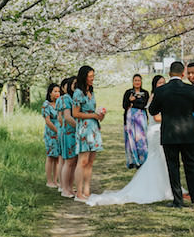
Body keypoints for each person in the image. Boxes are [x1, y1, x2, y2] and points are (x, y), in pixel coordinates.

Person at [86, 76, 172, 207]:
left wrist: (134, 103)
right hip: (155, 130)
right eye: (160, 83)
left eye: (163, 83)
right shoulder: (154, 96)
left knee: (161, 159)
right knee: (155, 157)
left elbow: (142, 106)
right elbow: (153, 114)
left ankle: (164, 185)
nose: (162, 85)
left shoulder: (153, 94)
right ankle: (151, 183)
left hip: (156, 129)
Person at [148, 61, 194, 209]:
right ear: (183, 74)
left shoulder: (161, 91)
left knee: (173, 167)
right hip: (188, 133)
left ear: (169, 74)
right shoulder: (191, 90)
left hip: (170, 134)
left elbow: (153, 111)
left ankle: (178, 200)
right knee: (192, 166)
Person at [73, 65, 105, 202]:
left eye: (93, 76)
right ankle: (78, 192)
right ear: (84, 77)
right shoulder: (78, 93)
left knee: (91, 161)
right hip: (84, 129)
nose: (92, 79)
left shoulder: (91, 91)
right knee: (83, 161)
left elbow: (93, 112)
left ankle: (87, 190)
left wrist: (99, 115)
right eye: (90, 76)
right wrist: (92, 115)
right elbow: (75, 113)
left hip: (94, 128)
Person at [57, 76, 78, 198]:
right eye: (74, 84)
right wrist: (79, 127)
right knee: (68, 162)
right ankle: (65, 189)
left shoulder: (75, 98)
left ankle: (70, 188)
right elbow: (67, 117)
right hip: (69, 132)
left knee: (74, 162)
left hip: (76, 134)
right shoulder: (65, 98)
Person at [122, 74, 150, 169]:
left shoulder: (145, 93)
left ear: (141, 81)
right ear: (133, 81)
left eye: (139, 80)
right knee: (130, 138)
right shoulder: (128, 92)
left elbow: (144, 105)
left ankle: (142, 159)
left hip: (141, 119)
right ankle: (132, 160)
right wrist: (130, 101)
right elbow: (124, 105)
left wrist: (133, 103)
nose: (137, 82)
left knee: (141, 139)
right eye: (135, 80)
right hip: (130, 118)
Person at [43, 82, 61, 188]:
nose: (57, 93)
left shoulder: (59, 103)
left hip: (60, 131)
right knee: (50, 156)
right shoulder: (46, 105)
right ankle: (49, 181)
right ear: (50, 93)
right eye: (55, 91)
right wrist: (57, 131)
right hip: (51, 132)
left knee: (58, 157)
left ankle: (56, 180)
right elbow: (48, 121)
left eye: (59, 91)